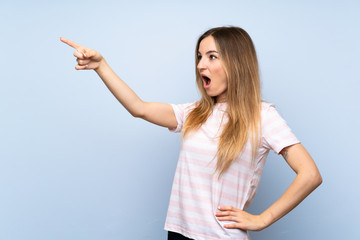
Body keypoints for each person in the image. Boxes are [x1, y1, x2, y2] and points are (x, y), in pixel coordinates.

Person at [60, 26, 322, 240]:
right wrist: (101, 65)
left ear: (236, 62)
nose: (200, 66)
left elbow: (310, 174)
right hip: (178, 233)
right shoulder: (195, 112)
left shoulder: (263, 116)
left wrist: (264, 219)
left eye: (211, 56)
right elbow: (138, 108)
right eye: (199, 57)